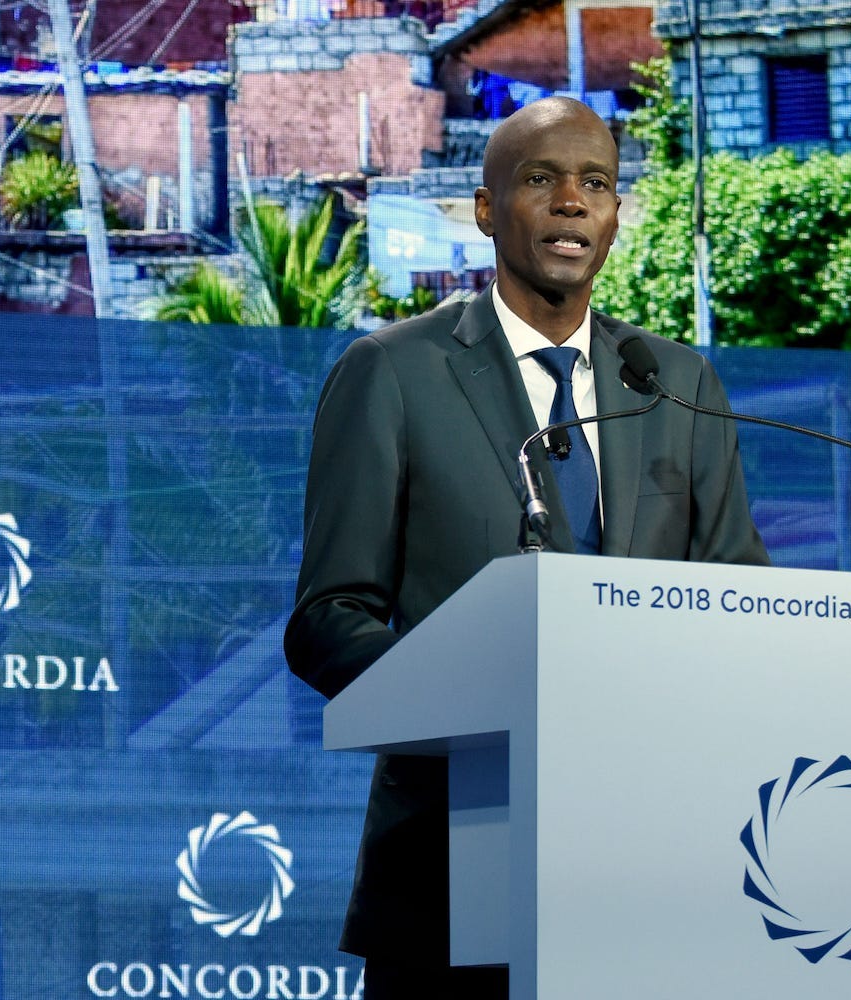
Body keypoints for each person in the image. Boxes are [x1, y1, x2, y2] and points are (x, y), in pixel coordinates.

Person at [283, 96, 770, 999]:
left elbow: (739, 602)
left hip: (648, 874)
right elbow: (327, 618)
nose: (572, 202)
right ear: (484, 209)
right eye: (541, 179)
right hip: (452, 866)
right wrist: (478, 708)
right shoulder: (392, 371)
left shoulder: (678, 383)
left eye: (597, 183)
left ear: (617, 214)